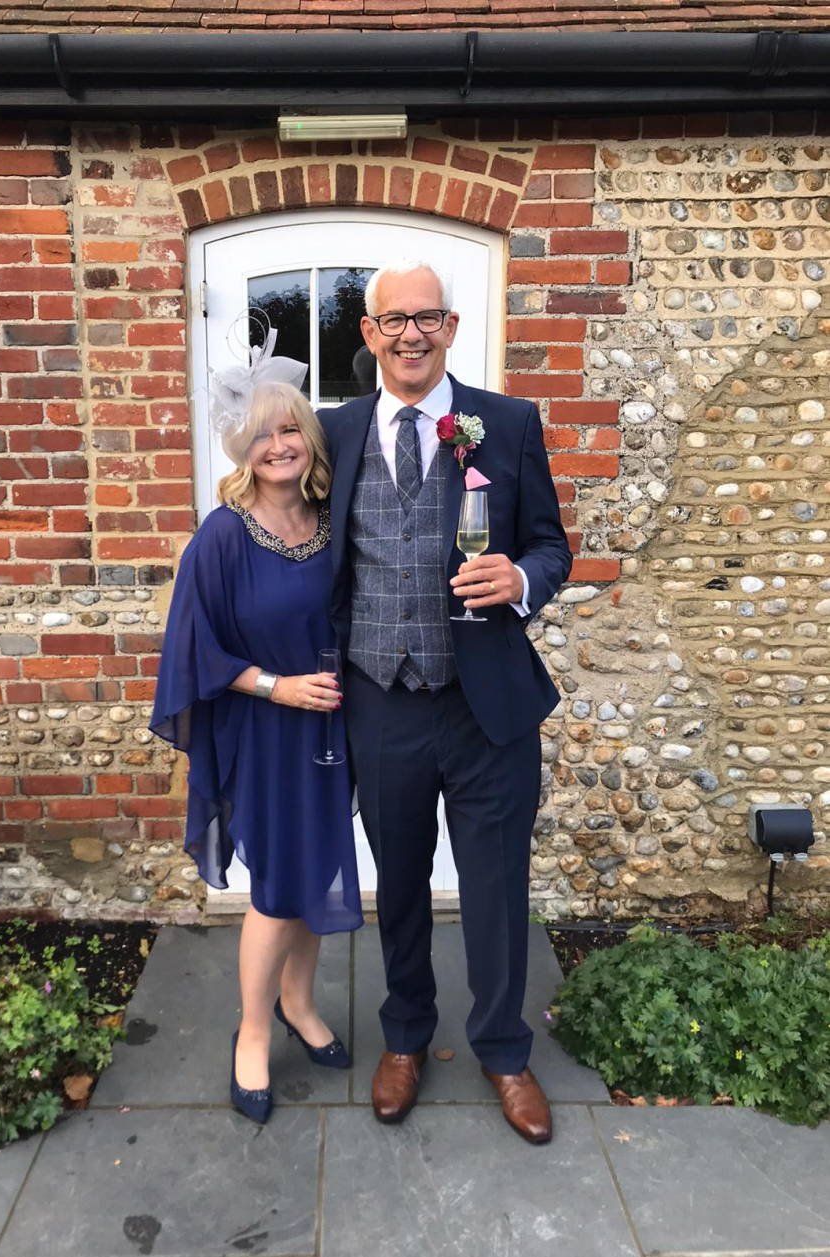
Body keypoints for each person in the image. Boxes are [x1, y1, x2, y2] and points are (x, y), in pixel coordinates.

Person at [319, 262, 572, 1144]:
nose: (410, 334)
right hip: (380, 698)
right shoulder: (333, 431)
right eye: (394, 320)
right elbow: (292, 540)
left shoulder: (503, 423)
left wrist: (523, 578)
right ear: (369, 329)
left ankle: (505, 1049)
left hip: (485, 705)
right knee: (402, 886)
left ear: (453, 326)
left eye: (427, 317)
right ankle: (405, 1036)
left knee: (498, 885)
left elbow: (551, 545)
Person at [150, 358, 363, 1127]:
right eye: (262, 434)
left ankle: (301, 1003)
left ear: (309, 437)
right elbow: (192, 649)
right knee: (276, 888)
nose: (279, 445)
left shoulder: (326, 520)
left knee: (314, 870)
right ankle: (253, 1028)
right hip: (268, 728)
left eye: (291, 429)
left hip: (329, 729)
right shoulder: (222, 536)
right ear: (241, 449)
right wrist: (279, 686)